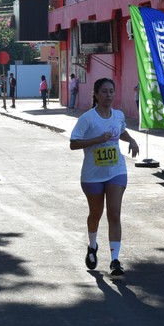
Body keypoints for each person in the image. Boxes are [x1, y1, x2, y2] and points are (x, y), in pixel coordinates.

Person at [69, 78, 140, 276]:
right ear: (96, 94)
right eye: (104, 92)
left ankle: (115, 260)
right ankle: (92, 246)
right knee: (96, 214)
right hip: (93, 175)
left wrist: (132, 140)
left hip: (116, 171)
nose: (108, 95)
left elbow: (122, 131)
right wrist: (97, 140)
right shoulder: (88, 118)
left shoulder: (118, 115)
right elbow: (73, 143)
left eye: (111, 91)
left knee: (114, 214)